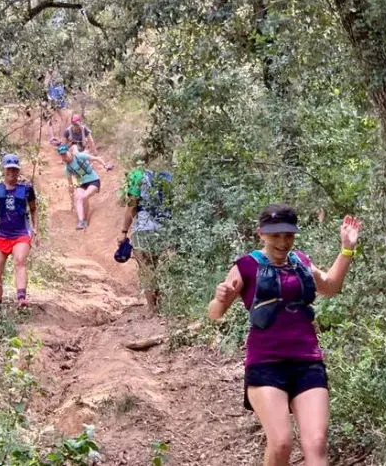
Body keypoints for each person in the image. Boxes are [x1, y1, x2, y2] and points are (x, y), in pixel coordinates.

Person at [208, 204, 361, 466]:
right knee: (280, 443)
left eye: (288, 235)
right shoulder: (246, 266)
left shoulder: (301, 262)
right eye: (275, 235)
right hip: (266, 363)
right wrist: (221, 298)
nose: (282, 241)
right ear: (261, 234)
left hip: (307, 362)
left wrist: (347, 248)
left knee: (316, 444)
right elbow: (214, 313)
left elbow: (331, 286)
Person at [0, 154, 39, 309]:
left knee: (20, 261)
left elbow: (33, 209)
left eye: (14, 169)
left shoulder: (26, 189)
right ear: (4, 169)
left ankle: (21, 299)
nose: (12, 172)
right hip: (0, 235)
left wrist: (35, 229)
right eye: (9, 168)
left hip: (21, 233)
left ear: (18, 170)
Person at [118, 162, 173, 310]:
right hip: (165, 228)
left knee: (145, 268)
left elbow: (132, 205)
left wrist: (124, 231)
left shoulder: (136, 175)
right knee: (160, 266)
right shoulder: (168, 175)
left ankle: (152, 308)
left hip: (143, 228)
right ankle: (163, 304)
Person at [57, 143, 113, 230]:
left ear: (69, 152)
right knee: (79, 197)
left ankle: (85, 220)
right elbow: (70, 183)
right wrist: (72, 198)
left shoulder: (79, 156)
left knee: (84, 196)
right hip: (81, 183)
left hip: (93, 180)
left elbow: (96, 158)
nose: (64, 156)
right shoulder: (67, 168)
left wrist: (105, 166)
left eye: (65, 154)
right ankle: (81, 221)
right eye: (62, 155)